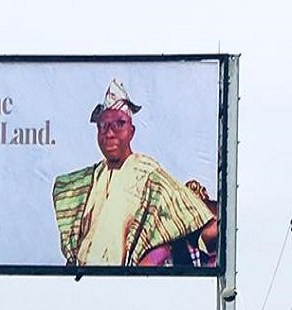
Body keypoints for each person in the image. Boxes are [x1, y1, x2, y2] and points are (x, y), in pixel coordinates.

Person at [52, 79, 217, 267]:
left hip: (127, 284)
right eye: (103, 126)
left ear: (132, 131)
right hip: (82, 281)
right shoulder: (87, 180)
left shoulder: (150, 175)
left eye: (118, 124)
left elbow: (197, 225)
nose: (109, 133)